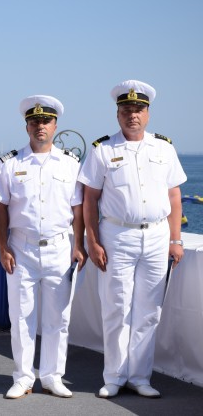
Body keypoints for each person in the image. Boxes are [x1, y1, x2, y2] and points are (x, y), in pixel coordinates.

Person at [78, 80, 186, 399]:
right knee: (116, 308)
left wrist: (176, 240)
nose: (132, 115)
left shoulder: (164, 148)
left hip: (156, 236)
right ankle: (114, 377)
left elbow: (174, 196)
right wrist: (93, 241)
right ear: (118, 114)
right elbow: (89, 199)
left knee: (149, 311)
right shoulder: (103, 150)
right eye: (126, 110)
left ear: (148, 114)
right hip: (117, 236)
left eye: (138, 110)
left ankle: (140, 377)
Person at [0, 95, 86, 399]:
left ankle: (52, 376)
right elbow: (1, 208)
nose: (40, 126)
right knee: (21, 317)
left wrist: (79, 245)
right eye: (34, 121)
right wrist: (3, 246)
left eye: (45, 121)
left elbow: (78, 209)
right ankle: (23, 377)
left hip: (60, 247)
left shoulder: (71, 164)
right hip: (21, 248)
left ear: (55, 125)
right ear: (27, 126)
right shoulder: (10, 164)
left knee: (58, 317)